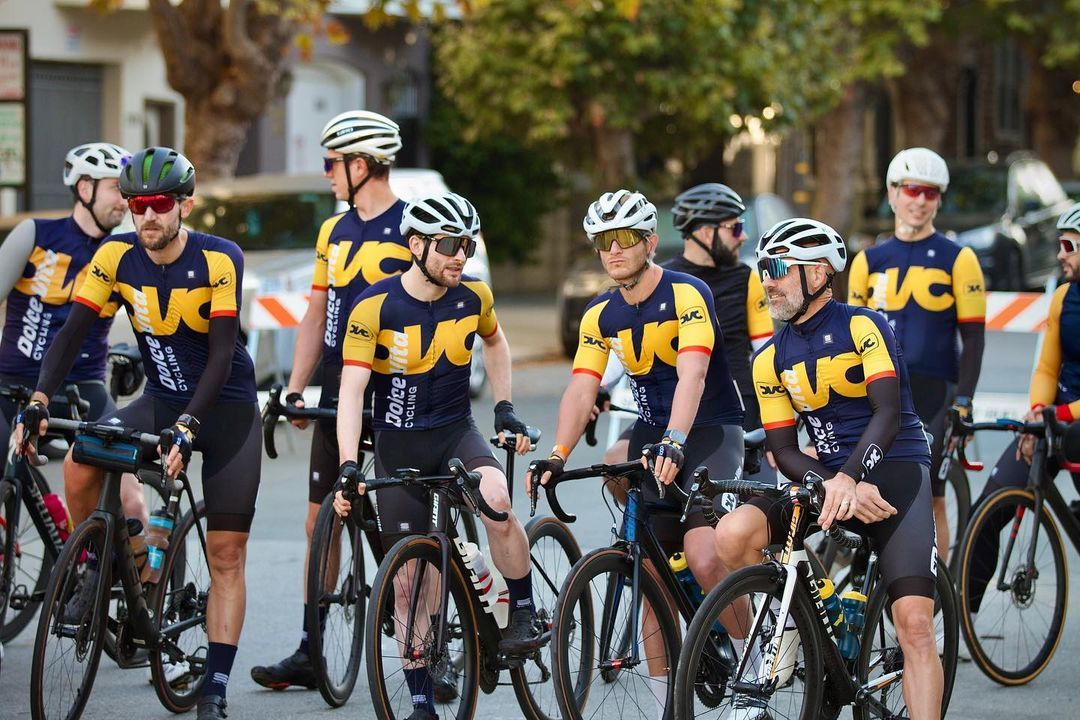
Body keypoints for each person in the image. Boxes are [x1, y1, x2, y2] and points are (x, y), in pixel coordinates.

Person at [17, 146, 262, 720]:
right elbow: (73, 332)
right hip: (158, 401)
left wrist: (189, 425)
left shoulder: (220, 258)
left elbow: (223, 356)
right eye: (136, 205)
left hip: (224, 409)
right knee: (80, 459)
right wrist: (38, 400)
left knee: (227, 555)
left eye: (158, 204)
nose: (147, 216)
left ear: (184, 205)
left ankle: (215, 688)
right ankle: (95, 564)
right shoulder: (115, 255)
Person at [527, 189, 746, 720]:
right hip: (654, 436)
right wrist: (556, 453)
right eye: (603, 241)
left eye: (625, 239)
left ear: (650, 241)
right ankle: (664, 706)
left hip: (709, 431)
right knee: (646, 579)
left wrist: (674, 438)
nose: (614, 250)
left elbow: (693, 372)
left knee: (704, 554)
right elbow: (582, 389)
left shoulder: (688, 292)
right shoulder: (599, 313)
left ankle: (754, 663)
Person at [714, 217, 942, 720]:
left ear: (818, 275)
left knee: (916, 627)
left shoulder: (864, 325)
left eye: (777, 268)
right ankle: (801, 625)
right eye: (761, 268)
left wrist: (852, 478)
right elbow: (782, 448)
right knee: (732, 535)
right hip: (827, 476)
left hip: (896, 465)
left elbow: (888, 412)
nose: (766, 280)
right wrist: (829, 481)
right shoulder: (768, 358)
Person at [332, 191, 534, 720]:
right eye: (449, 245)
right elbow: (352, 391)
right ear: (416, 244)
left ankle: (524, 611)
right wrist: (349, 464)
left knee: (496, 499)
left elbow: (496, 344)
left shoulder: (474, 297)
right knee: (409, 584)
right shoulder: (373, 305)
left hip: (454, 433)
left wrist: (505, 408)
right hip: (398, 446)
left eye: (467, 245)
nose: (460, 256)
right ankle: (421, 703)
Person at [250, 110, 413, 691]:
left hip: (397, 392)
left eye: (331, 163)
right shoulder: (334, 231)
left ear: (360, 164)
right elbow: (317, 312)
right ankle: (310, 646)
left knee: (402, 528)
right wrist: (296, 385)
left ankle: (428, 648)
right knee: (319, 520)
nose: (327, 175)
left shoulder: (414, 223)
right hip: (338, 389)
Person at [847, 147, 986, 563]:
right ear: (892, 193)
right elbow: (851, 339)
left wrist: (964, 399)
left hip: (934, 395)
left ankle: (933, 595)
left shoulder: (959, 258)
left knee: (932, 497)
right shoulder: (868, 260)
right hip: (875, 394)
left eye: (930, 193)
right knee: (856, 488)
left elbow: (974, 339)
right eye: (912, 190)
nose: (920, 201)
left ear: (939, 199)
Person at [0, 142, 146, 525]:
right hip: (12, 383)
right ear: (85, 189)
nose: (125, 201)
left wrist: (136, 356)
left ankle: (105, 572)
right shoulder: (34, 234)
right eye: (117, 189)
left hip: (84, 387)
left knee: (130, 498)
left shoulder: (128, 254)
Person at [964, 201, 1080, 620]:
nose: (1060, 254)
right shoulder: (1064, 297)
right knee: (990, 505)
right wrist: (1036, 413)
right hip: (1057, 421)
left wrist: (1059, 416)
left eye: (1068, 245)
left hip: (1068, 422)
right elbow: (1048, 365)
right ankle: (963, 618)